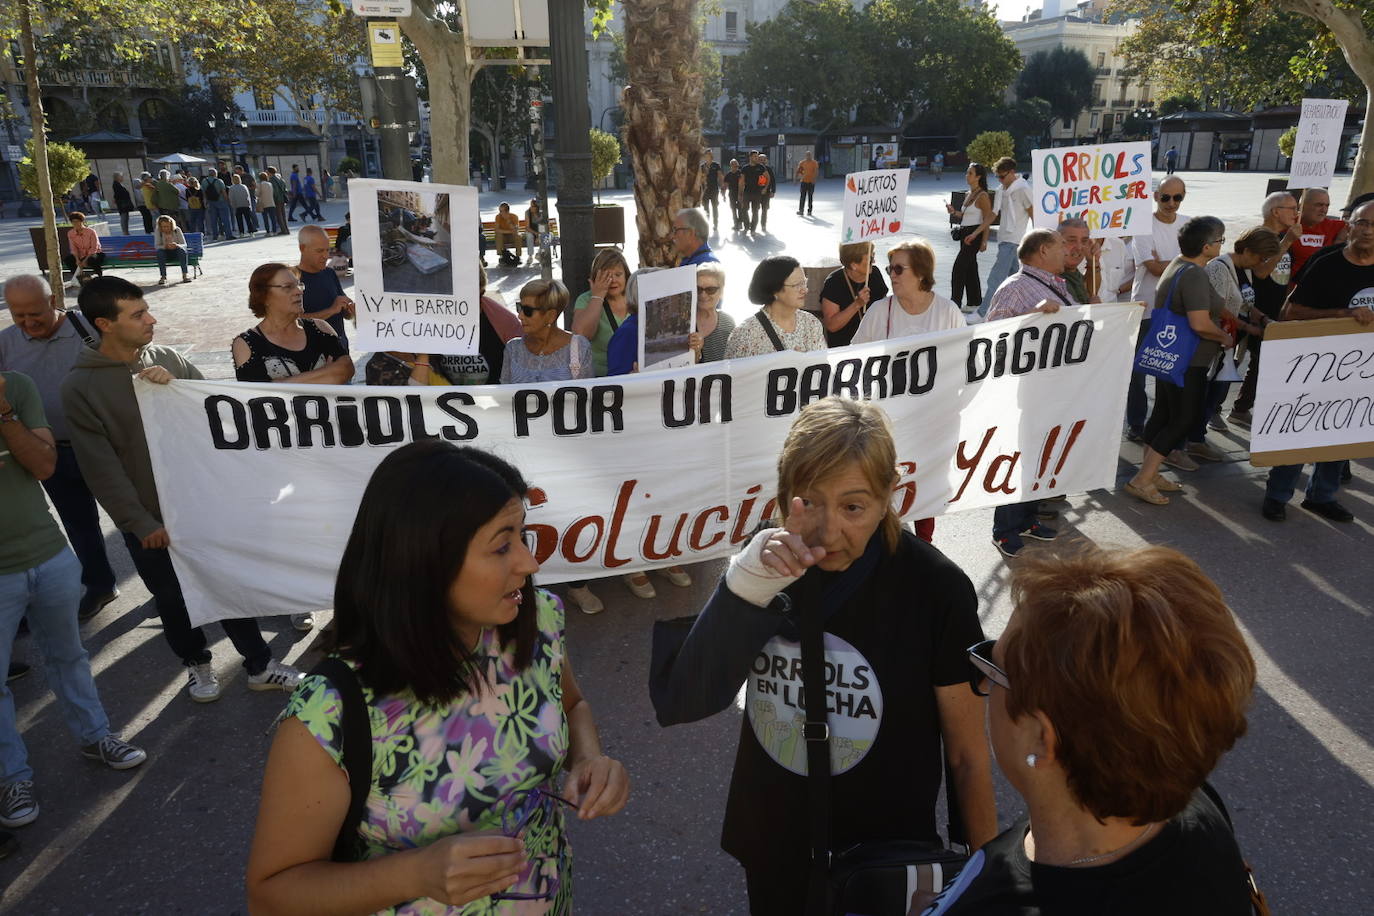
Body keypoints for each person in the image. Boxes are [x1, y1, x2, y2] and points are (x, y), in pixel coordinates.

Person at [246, 441, 630, 914]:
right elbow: (272, 893)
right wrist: (416, 873)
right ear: (425, 561)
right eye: (502, 545)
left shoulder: (538, 622)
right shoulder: (330, 712)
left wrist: (589, 758)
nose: (529, 563)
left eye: (523, 535)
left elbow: (573, 705)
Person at [651, 397, 998, 914]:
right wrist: (746, 587)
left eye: (853, 506)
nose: (828, 531)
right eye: (808, 501)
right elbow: (684, 699)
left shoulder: (934, 587)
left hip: (885, 853)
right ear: (783, 494)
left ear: (889, 497)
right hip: (775, 838)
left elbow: (967, 756)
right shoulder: (768, 561)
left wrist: (986, 877)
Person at [926, 546, 1257, 914]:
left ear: (1042, 737)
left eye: (994, 670)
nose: (985, 686)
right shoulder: (1195, 804)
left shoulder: (988, 903)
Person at [61, 277, 305, 701]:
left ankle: (259, 664)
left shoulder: (168, 358)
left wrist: (176, 387)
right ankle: (196, 664)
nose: (151, 319)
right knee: (173, 601)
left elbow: (215, 416)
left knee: (229, 586)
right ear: (104, 323)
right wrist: (140, 522)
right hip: (150, 522)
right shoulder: (79, 388)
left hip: (204, 506)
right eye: (137, 315)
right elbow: (101, 468)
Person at [0, 368, 148, 833]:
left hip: (48, 556)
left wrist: (4, 412)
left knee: (69, 656)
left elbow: (44, 465)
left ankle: (96, 737)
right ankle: (13, 778)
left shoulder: (15, 386)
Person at [0, 275, 119, 622]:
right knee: (79, 524)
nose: (28, 322)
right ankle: (99, 585)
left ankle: (164, 588)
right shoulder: (6, 343)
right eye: (18, 315)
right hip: (52, 452)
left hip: (104, 446)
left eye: (35, 313)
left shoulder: (89, 328)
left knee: (133, 522)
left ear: (53, 301)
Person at [1260, 199, 1374, 523]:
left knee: (1343, 432)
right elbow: (1290, 313)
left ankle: (1322, 496)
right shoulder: (1327, 263)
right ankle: (1277, 495)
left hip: (1362, 370)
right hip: (1315, 365)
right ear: (1350, 226)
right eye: (1362, 223)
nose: (1367, 231)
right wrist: (1344, 315)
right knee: (1300, 431)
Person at [501, 279, 602, 617]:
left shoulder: (578, 348)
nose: (520, 315)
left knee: (571, 518)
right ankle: (524, 586)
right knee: (525, 521)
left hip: (567, 455)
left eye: (528, 310)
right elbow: (503, 399)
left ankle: (577, 584)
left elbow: (589, 405)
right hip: (523, 454)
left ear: (551, 314)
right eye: (519, 307)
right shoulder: (513, 348)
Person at [1122, 217, 1233, 507]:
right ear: (1207, 247)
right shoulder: (1195, 274)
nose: (1223, 244)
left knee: (1162, 413)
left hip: (1169, 356)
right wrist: (1224, 337)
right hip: (1188, 360)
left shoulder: (1177, 264)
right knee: (1183, 418)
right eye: (1221, 240)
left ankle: (1151, 471)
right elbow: (1199, 323)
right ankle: (1142, 479)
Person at [1183, 227, 1278, 458]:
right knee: (1208, 394)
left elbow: (1245, 302)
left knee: (1216, 393)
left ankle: (1196, 438)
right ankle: (1193, 440)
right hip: (1214, 344)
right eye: (1259, 257)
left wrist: (1262, 318)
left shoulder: (1244, 269)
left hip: (1229, 345)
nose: (1261, 263)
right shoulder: (1219, 267)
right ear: (1246, 250)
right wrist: (1247, 327)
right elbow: (1218, 308)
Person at [367, 262, 521, 387]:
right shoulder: (433, 317)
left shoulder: (504, 321)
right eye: (465, 297)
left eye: (479, 295)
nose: (474, 302)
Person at [1125, 176, 1190, 443]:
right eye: (1166, 197)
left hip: (1179, 308)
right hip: (1146, 306)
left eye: (1178, 198)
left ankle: (1166, 423)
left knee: (1172, 369)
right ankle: (1137, 423)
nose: (1171, 203)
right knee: (1137, 372)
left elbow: (1200, 262)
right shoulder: (1143, 226)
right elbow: (1152, 267)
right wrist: (1187, 261)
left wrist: (1173, 262)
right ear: (1155, 197)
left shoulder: (1188, 224)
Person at [1230, 191, 1301, 427]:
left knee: (1261, 362)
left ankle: (1240, 408)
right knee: (1232, 363)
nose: (1296, 213)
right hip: (1250, 311)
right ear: (1275, 211)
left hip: (1272, 312)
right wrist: (1288, 241)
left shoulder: (1282, 238)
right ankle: (1217, 410)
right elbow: (1261, 271)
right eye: (1291, 208)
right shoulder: (1260, 238)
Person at [853, 239, 963, 344]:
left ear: (920, 273)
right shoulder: (878, 311)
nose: (892, 275)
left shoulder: (949, 312)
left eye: (898, 269)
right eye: (890, 269)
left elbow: (966, 355)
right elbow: (855, 355)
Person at [725, 256, 826, 359]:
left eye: (804, 283)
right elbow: (733, 373)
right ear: (774, 289)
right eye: (797, 285)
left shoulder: (811, 323)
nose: (805, 290)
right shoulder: (745, 334)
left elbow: (824, 365)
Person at [986, 229, 1074, 321]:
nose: (1067, 253)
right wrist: (1034, 313)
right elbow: (995, 330)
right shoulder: (1014, 288)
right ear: (1043, 251)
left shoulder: (1053, 283)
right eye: (1062, 246)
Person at [570, 247, 632, 376]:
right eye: (606, 276)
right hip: (602, 377)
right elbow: (581, 335)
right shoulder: (586, 300)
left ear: (626, 276)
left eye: (618, 274)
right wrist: (598, 296)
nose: (613, 280)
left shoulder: (635, 297)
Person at [985, 157, 1033, 312]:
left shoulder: (1023, 189)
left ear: (1012, 172)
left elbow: (1034, 214)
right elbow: (993, 214)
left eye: (1002, 176)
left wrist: (1038, 239)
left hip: (1014, 239)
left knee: (995, 278)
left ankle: (983, 312)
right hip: (1004, 238)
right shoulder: (1002, 190)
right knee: (1017, 278)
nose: (1000, 180)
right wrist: (978, 232)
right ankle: (1025, 307)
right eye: (997, 176)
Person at [818, 241, 889, 348]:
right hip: (845, 347)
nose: (874, 261)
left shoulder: (875, 274)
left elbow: (884, 306)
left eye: (873, 256)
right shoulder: (834, 283)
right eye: (869, 259)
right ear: (854, 265)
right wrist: (857, 304)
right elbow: (831, 325)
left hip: (872, 342)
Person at [945, 163, 994, 313]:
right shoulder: (968, 194)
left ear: (978, 177)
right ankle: (975, 301)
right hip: (965, 233)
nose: (967, 176)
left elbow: (987, 219)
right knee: (970, 268)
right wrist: (954, 212)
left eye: (970, 173)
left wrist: (984, 240)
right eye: (967, 173)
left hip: (975, 234)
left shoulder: (983, 195)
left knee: (959, 268)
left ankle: (955, 303)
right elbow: (964, 215)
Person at [297, 225, 355, 351]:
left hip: (340, 349)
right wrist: (331, 310)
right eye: (319, 251)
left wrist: (349, 310)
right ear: (302, 248)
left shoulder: (329, 273)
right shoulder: (291, 280)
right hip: (313, 355)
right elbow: (293, 322)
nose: (325, 256)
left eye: (327, 250)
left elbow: (344, 312)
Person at [1289, 187, 1348, 279]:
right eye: (1319, 205)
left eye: (1327, 205)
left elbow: (1360, 225)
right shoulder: (1288, 224)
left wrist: (1339, 242)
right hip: (1294, 285)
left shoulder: (1334, 226)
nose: (1324, 210)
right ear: (1302, 205)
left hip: (1323, 283)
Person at [693, 263, 736, 363]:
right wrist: (696, 353)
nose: (703, 295)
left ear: (721, 292)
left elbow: (733, 363)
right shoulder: (684, 323)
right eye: (698, 289)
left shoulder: (728, 323)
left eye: (710, 290)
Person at [61, 213, 105, 283]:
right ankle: (79, 277)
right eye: (73, 222)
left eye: (77, 221)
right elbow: (73, 247)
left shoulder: (91, 232)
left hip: (95, 253)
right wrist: (77, 259)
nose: (75, 224)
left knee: (92, 260)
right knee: (68, 260)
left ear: (82, 221)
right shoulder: (70, 233)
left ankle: (100, 278)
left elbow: (94, 247)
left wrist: (85, 260)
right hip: (81, 254)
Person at [152, 215, 192, 286]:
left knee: (181, 250)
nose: (166, 228)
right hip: (165, 253)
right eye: (164, 226)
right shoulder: (158, 231)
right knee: (159, 252)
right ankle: (163, 277)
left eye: (168, 226)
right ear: (160, 226)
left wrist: (176, 245)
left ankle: (185, 275)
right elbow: (157, 246)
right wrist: (165, 246)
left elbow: (184, 244)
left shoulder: (177, 230)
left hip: (176, 252)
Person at [202, 168, 235, 241]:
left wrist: (205, 202)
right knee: (225, 219)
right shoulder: (219, 181)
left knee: (213, 220)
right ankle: (228, 235)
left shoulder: (204, 181)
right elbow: (224, 192)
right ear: (215, 174)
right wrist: (228, 201)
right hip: (221, 201)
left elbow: (204, 193)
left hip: (210, 202)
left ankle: (215, 236)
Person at [494, 203, 521, 267]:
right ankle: (501, 256)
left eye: (501, 211)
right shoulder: (498, 217)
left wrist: (509, 221)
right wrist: (509, 231)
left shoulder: (514, 216)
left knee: (518, 236)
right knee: (498, 235)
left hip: (512, 236)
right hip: (503, 237)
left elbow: (515, 230)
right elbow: (497, 230)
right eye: (499, 211)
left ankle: (518, 256)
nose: (500, 213)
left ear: (507, 211)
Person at [702, 150, 723, 230]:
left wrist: (722, 188)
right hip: (705, 190)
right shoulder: (702, 167)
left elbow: (720, 176)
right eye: (706, 155)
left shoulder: (716, 165)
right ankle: (706, 224)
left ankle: (715, 224)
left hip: (714, 189)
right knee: (706, 208)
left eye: (709, 155)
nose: (708, 156)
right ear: (704, 157)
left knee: (715, 207)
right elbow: (700, 179)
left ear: (711, 156)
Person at [266, 166, 290, 236]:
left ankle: (283, 230)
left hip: (277, 199)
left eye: (267, 172)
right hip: (282, 198)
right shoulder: (280, 178)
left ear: (269, 172)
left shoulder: (272, 180)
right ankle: (286, 229)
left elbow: (275, 191)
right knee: (283, 215)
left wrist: (274, 199)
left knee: (279, 216)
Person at [724, 158, 745, 231]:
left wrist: (741, 195)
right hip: (731, 194)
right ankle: (735, 223)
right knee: (733, 209)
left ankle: (740, 223)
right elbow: (725, 185)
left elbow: (743, 184)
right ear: (730, 166)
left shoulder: (741, 173)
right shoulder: (728, 174)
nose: (734, 166)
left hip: (740, 193)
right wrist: (723, 194)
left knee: (740, 209)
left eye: (736, 165)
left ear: (738, 165)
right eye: (733, 165)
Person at [795, 149, 818, 216]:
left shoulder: (814, 163)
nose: (808, 156)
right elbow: (799, 171)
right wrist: (795, 179)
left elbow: (816, 171)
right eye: (807, 155)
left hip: (811, 182)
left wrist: (814, 179)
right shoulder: (802, 163)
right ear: (805, 156)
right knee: (802, 196)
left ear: (811, 155)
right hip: (803, 182)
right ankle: (801, 210)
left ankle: (809, 211)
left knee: (810, 197)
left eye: (809, 155)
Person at [256, 171, 279, 236]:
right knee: (273, 218)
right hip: (271, 202)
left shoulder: (260, 184)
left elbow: (257, 194)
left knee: (265, 219)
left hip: (263, 203)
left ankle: (268, 232)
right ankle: (274, 231)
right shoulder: (270, 184)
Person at [524, 199, 543, 267]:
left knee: (548, 236)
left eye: (533, 206)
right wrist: (537, 234)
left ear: (537, 207)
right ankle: (530, 256)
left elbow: (543, 226)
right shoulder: (527, 212)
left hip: (541, 231)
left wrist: (539, 236)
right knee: (529, 236)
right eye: (531, 206)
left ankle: (539, 254)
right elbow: (527, 227)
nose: (531, 208)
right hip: (531, 231)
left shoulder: (541, 213)